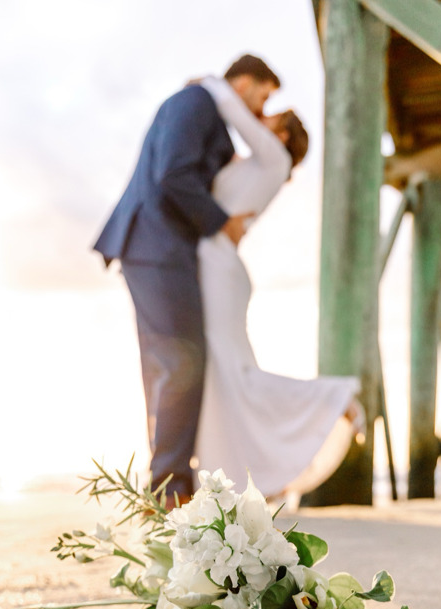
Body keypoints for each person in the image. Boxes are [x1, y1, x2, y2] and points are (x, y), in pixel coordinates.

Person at [94, 54, 280, 507]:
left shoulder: (203, 109)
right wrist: (223, 223)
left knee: (166, 364)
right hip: (157, 245)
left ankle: (165, 481)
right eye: (263, 93)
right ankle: (170, 486)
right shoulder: (197, 101)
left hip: (154, 246)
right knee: (182, 361)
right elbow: (174, 174)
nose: (261, 105)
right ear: (244, 82)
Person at [193, 76, 362, 499]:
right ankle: (242, 475)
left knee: (230, 376)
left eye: (270, 113)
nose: (260, 116)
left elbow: (231, 109)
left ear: (281, 133)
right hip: (219, 266)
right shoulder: (254, 166)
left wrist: (208, 83)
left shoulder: (275, 159)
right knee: (229, 377)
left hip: (218, 268)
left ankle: (332, 399)